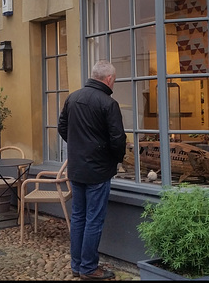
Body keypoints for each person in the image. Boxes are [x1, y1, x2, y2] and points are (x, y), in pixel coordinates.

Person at [58, 60, 127, 280]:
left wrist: (78, 147)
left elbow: (62, 127)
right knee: (93, 219)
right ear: (108, 79)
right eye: (114, 80)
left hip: (77, 168)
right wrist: (115, 160)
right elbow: (118, 139)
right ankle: (88, 267)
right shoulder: (108, 103)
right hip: (97, 170)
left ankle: (77, 265)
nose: (113, 84)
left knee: (79, 217)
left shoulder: (73, 97)